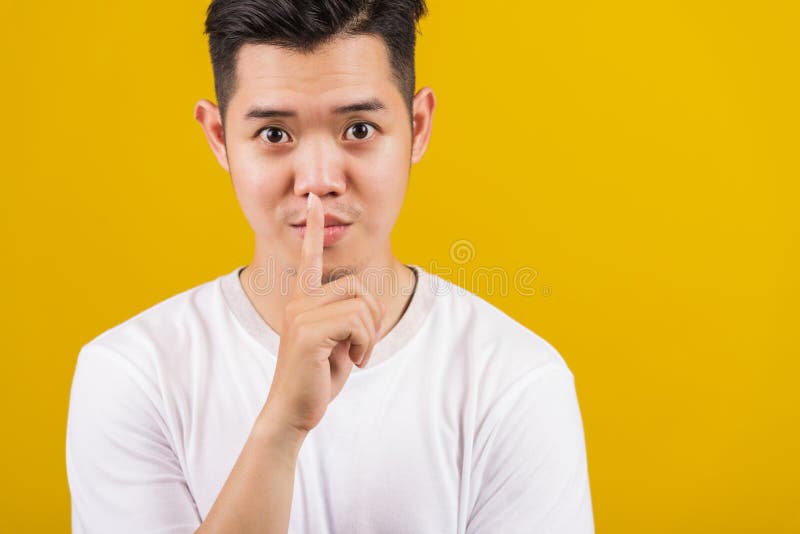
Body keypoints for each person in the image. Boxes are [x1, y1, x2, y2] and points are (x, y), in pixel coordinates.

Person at [65, 0, 595, 532]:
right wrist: (281, 429)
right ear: (219, 138)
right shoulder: (133, 375)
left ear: (418, 126)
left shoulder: (516, 381)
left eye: (359, 129)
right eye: (274, 134)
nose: (319, 179)